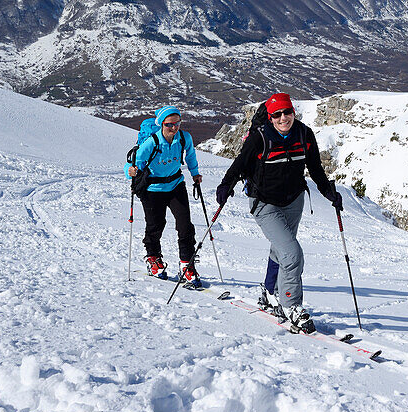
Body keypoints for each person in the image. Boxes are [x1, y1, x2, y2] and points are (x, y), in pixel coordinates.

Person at [215, 93, 342, 334]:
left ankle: (269, 291)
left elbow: (315, 168)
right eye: (277, 114)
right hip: (264, 203)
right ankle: (291, 307)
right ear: (271, 118)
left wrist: (329, 193)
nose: (284, 118)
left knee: (281, 249)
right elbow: (239, 165)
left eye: (287, 112)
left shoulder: (304, 134)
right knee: (292, 253)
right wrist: (225, 185)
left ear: (294, 112)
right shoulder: (260, 138)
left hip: (294, 200)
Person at [128, 106, 203, 285]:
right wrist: (130, 172)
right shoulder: (152, 142)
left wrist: (195, 174)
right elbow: (134, 160)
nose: (174, 128)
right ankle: (153, 258)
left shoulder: (184, 138)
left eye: (177, 123)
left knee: (185, 225)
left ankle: (187, 264)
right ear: (162, 124)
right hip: (153, 190)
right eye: (170, 124)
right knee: (156, 225)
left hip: (176, 185)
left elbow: (191, 156)